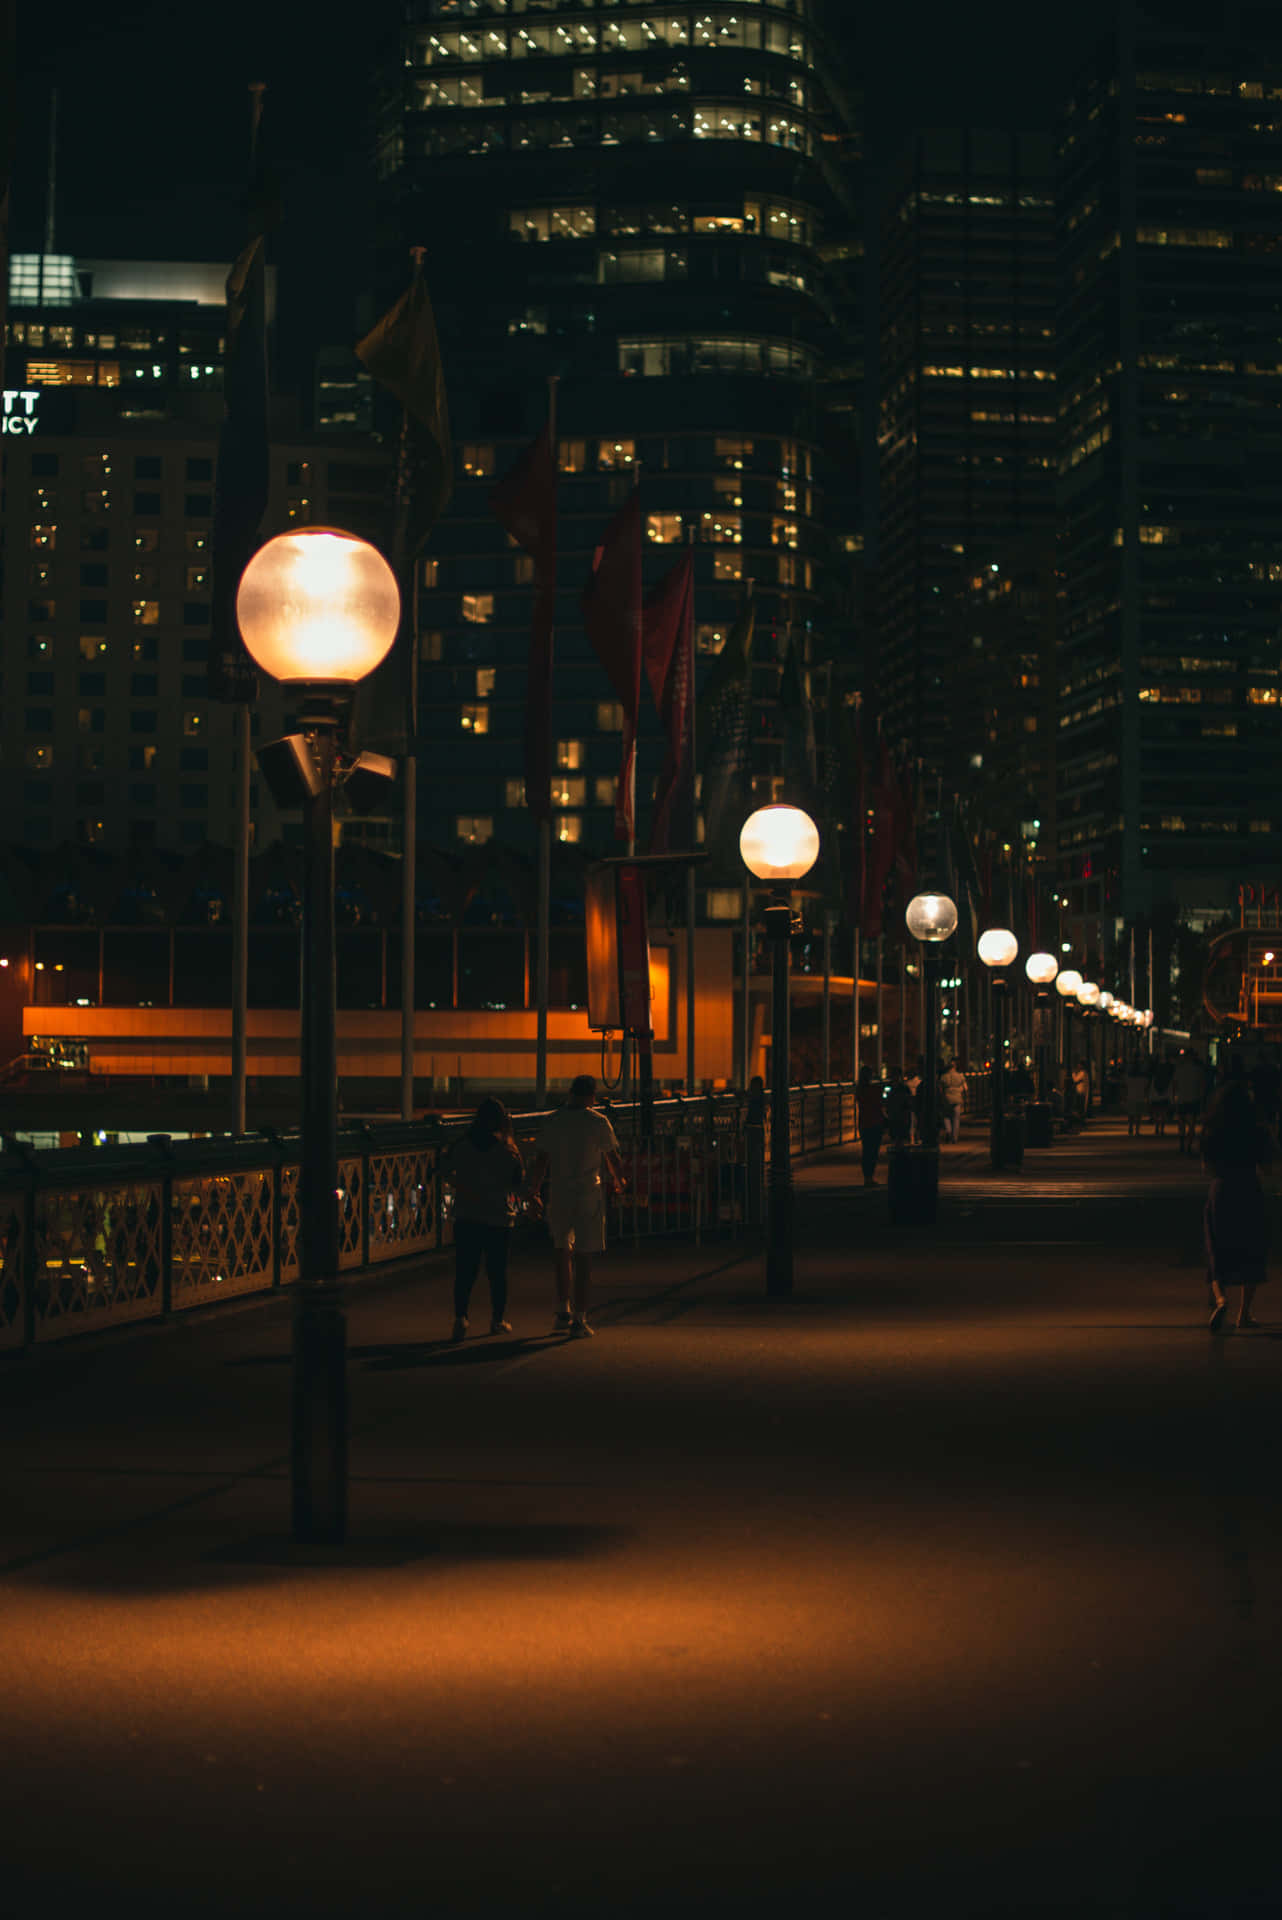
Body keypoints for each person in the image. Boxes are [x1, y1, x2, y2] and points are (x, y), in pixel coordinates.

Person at [523, 1074, 624, 1338]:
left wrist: (533, 1191)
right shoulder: (598, 1122)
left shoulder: (553, 1121)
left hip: (560, 1192)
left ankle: (562, 1310)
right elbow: (613, 1158)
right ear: (592, 1096)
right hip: (588, 1192)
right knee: (584, 1256)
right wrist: (619, 1181)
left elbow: (541, 1161)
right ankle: (580, 1318)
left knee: (561, 1250)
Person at [441, 1098, 524, 1343]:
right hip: (498, 1216)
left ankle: (461, 1317)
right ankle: (497, 1320)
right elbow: (517, 1181)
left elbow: (444, 1170)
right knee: (497, 1272)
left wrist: (461, 1186)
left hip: (467, 1215)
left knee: (465, 1270)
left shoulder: (462, 1145)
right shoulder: (507, 1149)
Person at [1202, 1080, 1272, 1333]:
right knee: (1251, 1247)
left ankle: (1221, 1300)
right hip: (1248, 1188)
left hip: (1221, 1188)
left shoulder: (1212, 1130)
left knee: (1217, 1248)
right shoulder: (1256, 1130)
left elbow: (1205, 1167)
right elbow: (1268, 1167)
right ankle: (1244, 1313)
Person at [855, 1063, 885, 1186]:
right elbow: (881, 1101)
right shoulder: (874, 1090)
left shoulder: (860, 1090)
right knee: (873, 1151)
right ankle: (870, 1176)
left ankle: (867, 1177)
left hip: (864, 1122)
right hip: (875, 1122)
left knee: (866, 1150)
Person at [1172, 1048, 1206, 1156]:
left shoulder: (1179, 1069)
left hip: (1182, 1099)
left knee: (1181, 1123)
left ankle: (1182, 1144)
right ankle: (1188, 1146)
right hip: (1193, 1098)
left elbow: (1175, 1084)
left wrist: (1174, 1097)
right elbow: (1201, 1086)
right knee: (1191, 1124)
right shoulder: (1198, 1070)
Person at [885, 1065, 914, 1151]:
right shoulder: (904, 1087)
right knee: (898, 1133)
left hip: (897, 1113)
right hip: (899, 1114)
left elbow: (885, 1098)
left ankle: (897, 1149)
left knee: (896, 1133)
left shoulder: (889, 1087)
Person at [940, 1060, 967, 1144]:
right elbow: (965, 1088)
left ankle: (948, 1130)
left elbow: (941, 1088)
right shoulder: (960, 1076)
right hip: (957, 1098)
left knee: (946, 1116)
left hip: (947, 1098)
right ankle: (954, 1138)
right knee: (956, 1119)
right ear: (955, 1067)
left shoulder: (944, 1077)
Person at [1124, 1056, 1151, 1138]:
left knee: (1131, 1114)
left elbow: (1125, 1087)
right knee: (1138, 1115)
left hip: (1131, 1097)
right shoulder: (1143, 1079)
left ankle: (1130, 1127)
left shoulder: (1129, 1078)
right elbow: (1146, 1088)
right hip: (1140, 1097)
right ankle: (1137, 1130)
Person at [1150, 1053, 1174, 1137]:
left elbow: (1152, 1089)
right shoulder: (1167, 1079)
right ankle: (1162, 1129)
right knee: (1163, 1114)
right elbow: (1170, 1090)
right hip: (1164, 1099)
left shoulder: (1155, 1078)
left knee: (1157, 1114)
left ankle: (1157, 1127)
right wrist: (1171, 1100)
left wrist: (1151, 1098)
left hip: (1156, 1098)